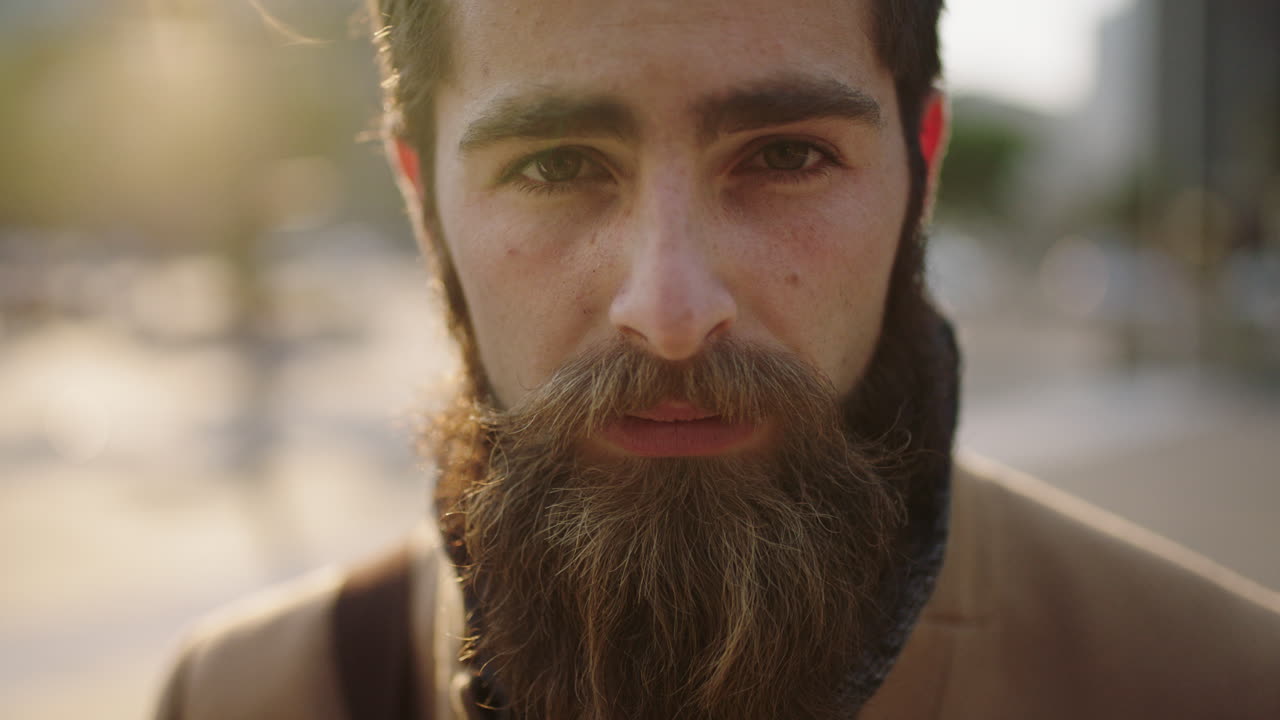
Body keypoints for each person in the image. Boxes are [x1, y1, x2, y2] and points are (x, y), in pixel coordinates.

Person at [153, 0, 1280, 718]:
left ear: (918, 171)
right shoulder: (255, 696)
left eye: (786, 155)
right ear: (422, 197)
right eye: (552, 166)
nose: (672, 310)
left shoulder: (1218, 683)